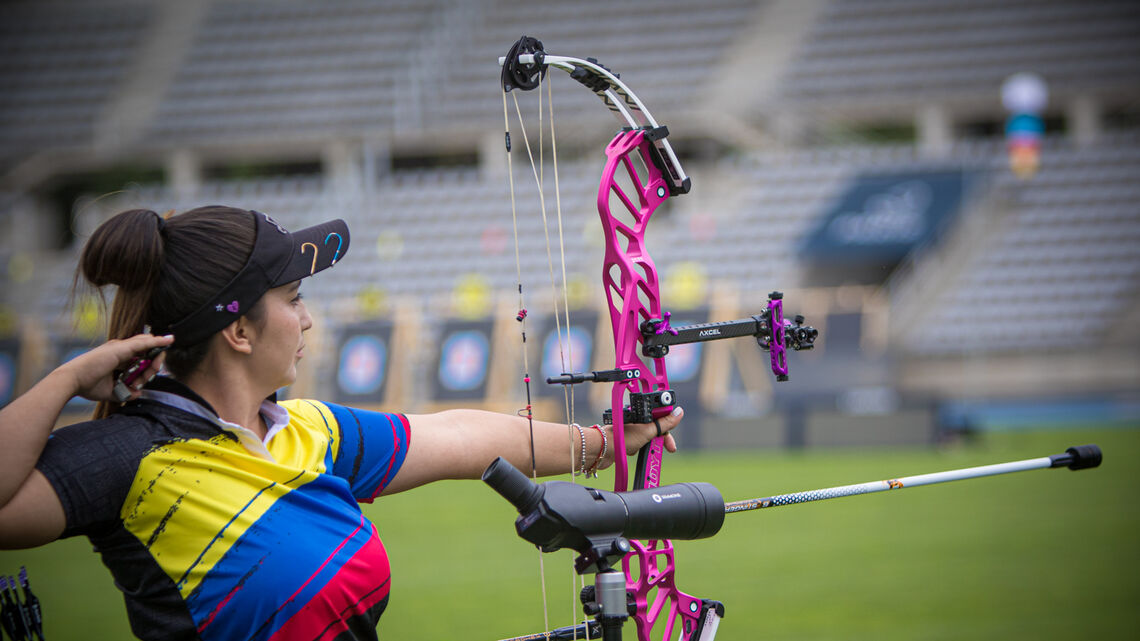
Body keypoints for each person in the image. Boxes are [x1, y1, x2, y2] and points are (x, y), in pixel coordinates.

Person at [0, 206, 680, 641]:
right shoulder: (130, 458)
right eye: (293, 299)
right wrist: (64, 381)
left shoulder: (308, 430)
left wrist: (608, 441)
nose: (308, 318)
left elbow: (461, 438)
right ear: (238, 328)